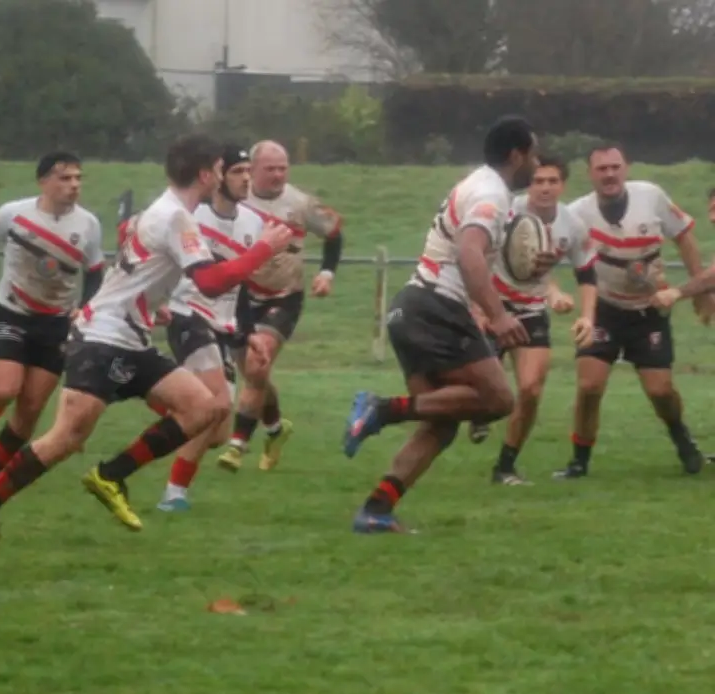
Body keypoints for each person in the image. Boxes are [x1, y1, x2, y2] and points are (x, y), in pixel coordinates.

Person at [0, 134, 293, 541]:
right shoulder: (176, 218)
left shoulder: (171, 211)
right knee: (66, 437)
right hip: (102, 337)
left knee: (204, 408)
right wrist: (263, 249)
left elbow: (143, 269)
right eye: (220, 170)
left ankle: (110, 475)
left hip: (130, 336)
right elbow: (212, 282)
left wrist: (150, 305)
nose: (223, 177)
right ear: (204, 175)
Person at [342, 115, 554, 534]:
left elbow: (478, 254)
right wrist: (497, 315)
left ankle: (376, 509)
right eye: (533, 153)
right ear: (516, 155)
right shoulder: (491, 194)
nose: (537, 162)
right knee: (497, 399)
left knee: (441, 423)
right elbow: (469, 253)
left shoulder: (478, 185)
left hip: (414, 305)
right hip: (435, 306)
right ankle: (381, 408)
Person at [554, 143, 712, 479]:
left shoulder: (651, 196)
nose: (609, 174)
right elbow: (546, 256)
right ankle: (579, 462)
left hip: (648, 310)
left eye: (615, 167)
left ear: (626, 168)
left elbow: (684, 237)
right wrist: (554, 293)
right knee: (590, 385)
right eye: (601, 169)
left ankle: (682, 439)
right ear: (590, 174)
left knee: (660, 391)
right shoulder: (577, 213)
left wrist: (700, 290)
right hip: (604, 309)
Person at [0, 151, 104, 494]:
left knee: (30, 409)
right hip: (12, 313)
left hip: (55, 324)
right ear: (43, 182)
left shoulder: (88, 224)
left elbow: (96, 272)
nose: (73, 185)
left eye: (77, 178)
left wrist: (83, 308)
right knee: (2, 390)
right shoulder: (14, 214)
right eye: (65, 178)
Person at [467, 154, 598, 484]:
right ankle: (479, 411)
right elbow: (476, 256)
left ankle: (505, 467)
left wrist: (587, 316)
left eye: (552, 181)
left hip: (531, 310)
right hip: (494, 306)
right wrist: (479, 308)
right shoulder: (507, 210)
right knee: (486, 389)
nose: (545, 187)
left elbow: (587, 275)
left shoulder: (572, 224)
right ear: (530, 183)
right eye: (539, 180)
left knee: (531, 390)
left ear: (562, 185)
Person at [152, 144, 269, 511]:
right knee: (215, 403)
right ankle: (174, 494)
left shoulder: (254, 223)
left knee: (217, 429)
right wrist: (156, 300)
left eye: (249, 170)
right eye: (237, 171)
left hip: (224, 324)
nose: (246, 178)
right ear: (217, 178)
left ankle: (164, 396)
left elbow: (242, 285)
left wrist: (249, 333)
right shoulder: (190, 216)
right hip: (187, 314)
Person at [217, 140, 344, 473]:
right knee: (255, 375)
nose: (277, 175)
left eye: (283, 168)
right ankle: (275, 428)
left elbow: (334, 231)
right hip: (242, 297)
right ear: (253, 170)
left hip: (284, 297)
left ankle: (237, 444)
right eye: (270, 169)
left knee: (257, 368)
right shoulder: (237, 203)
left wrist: (327, 273)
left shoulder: (300, 203)